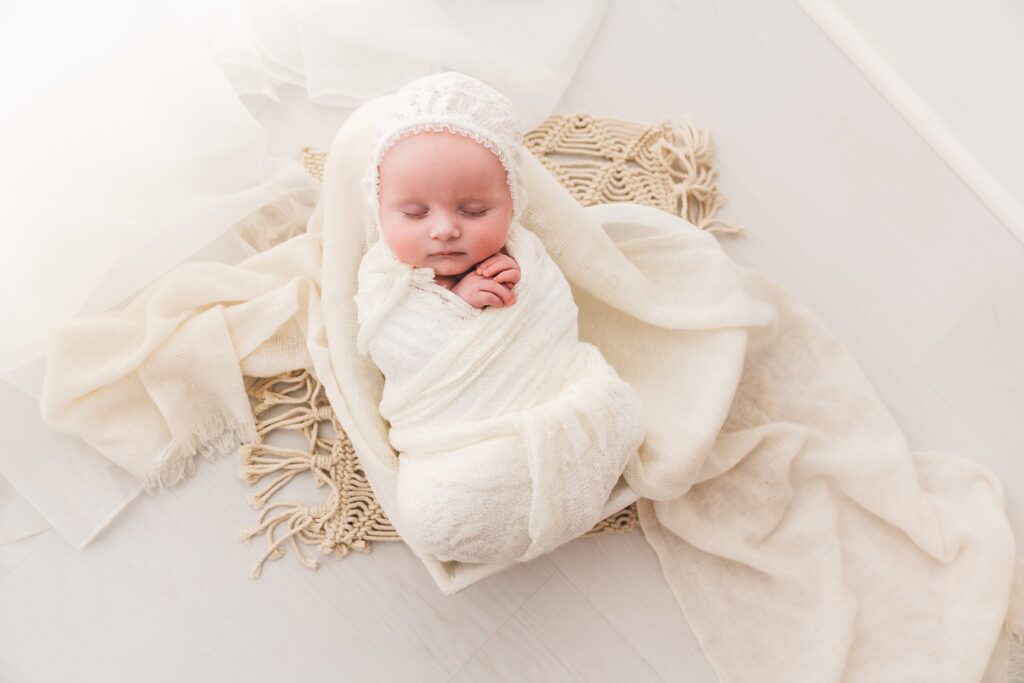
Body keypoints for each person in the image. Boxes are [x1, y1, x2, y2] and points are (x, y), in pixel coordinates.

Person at [353, 71, 647, 564]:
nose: (445, 229)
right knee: (432, 516)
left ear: (512, 202)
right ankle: (540, 470)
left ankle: (549, 457)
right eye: (414, 213)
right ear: (379, 210)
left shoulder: (525, 260)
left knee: (619, 409)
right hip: (451, 437)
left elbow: (553, 322)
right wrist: (457, 299)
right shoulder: (383, 278)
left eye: (472, 209)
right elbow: (391, 343)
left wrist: (517, 290)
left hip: (535, 397)